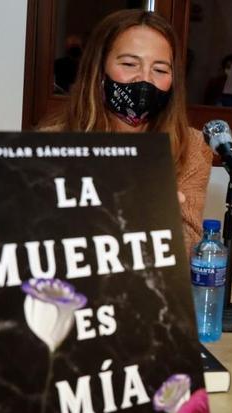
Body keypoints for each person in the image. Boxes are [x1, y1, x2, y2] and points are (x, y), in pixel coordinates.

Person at [41, 10, 212, 257]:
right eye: (130, 64)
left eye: (160, 70)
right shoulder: (50, 145)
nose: (144, 79)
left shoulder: (192, 147)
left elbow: (187, 248)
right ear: (99, 71)